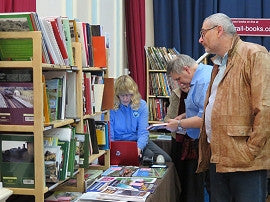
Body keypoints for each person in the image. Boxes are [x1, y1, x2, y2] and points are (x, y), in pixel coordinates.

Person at [197, 13, 270, 202]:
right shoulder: (218, 63)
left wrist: (249, 151)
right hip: (219, 159)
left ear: (219, 30)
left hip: (245, 163)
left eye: (203, 33)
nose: (200, 39)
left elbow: (266, 108)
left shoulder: (254, 54)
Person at [165, 54, 212, 202]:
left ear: (186, 69)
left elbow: (204, 118)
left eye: (178, 78)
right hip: (203, 139)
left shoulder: (202, 82)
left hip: (206, 141)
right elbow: (201, 107)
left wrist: (178, 124)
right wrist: (185, 116)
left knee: (207, 186)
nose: (179, 83)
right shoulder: (202, 74)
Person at [110, 75, 172, 162]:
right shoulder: (111, 107)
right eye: (122, 95)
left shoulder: (141, 105)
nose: (125, 98)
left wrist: (138, 149)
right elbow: (110, 136)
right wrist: (113, 151)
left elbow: (143, 132)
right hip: (118, 143)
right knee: (147, 157)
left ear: (133, 93)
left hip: (137, 141)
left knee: (166, 159)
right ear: (117, 94)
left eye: (128, 95)